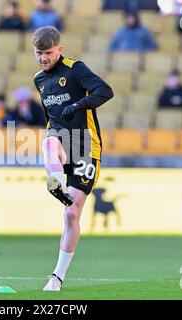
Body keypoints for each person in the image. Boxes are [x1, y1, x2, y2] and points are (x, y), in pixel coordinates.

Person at [32, 27, 114, 291]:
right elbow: (50, 118)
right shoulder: (39, 81)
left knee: (71, 214)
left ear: (59, 49)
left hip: (86, 146)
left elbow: (105, 91)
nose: (43, 58)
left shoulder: (75, 69)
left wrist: (79, 105)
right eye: (38, 53)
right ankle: (55, 179)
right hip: (62, 143)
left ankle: (57, 277)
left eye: (48, 53)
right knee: (48, 141)